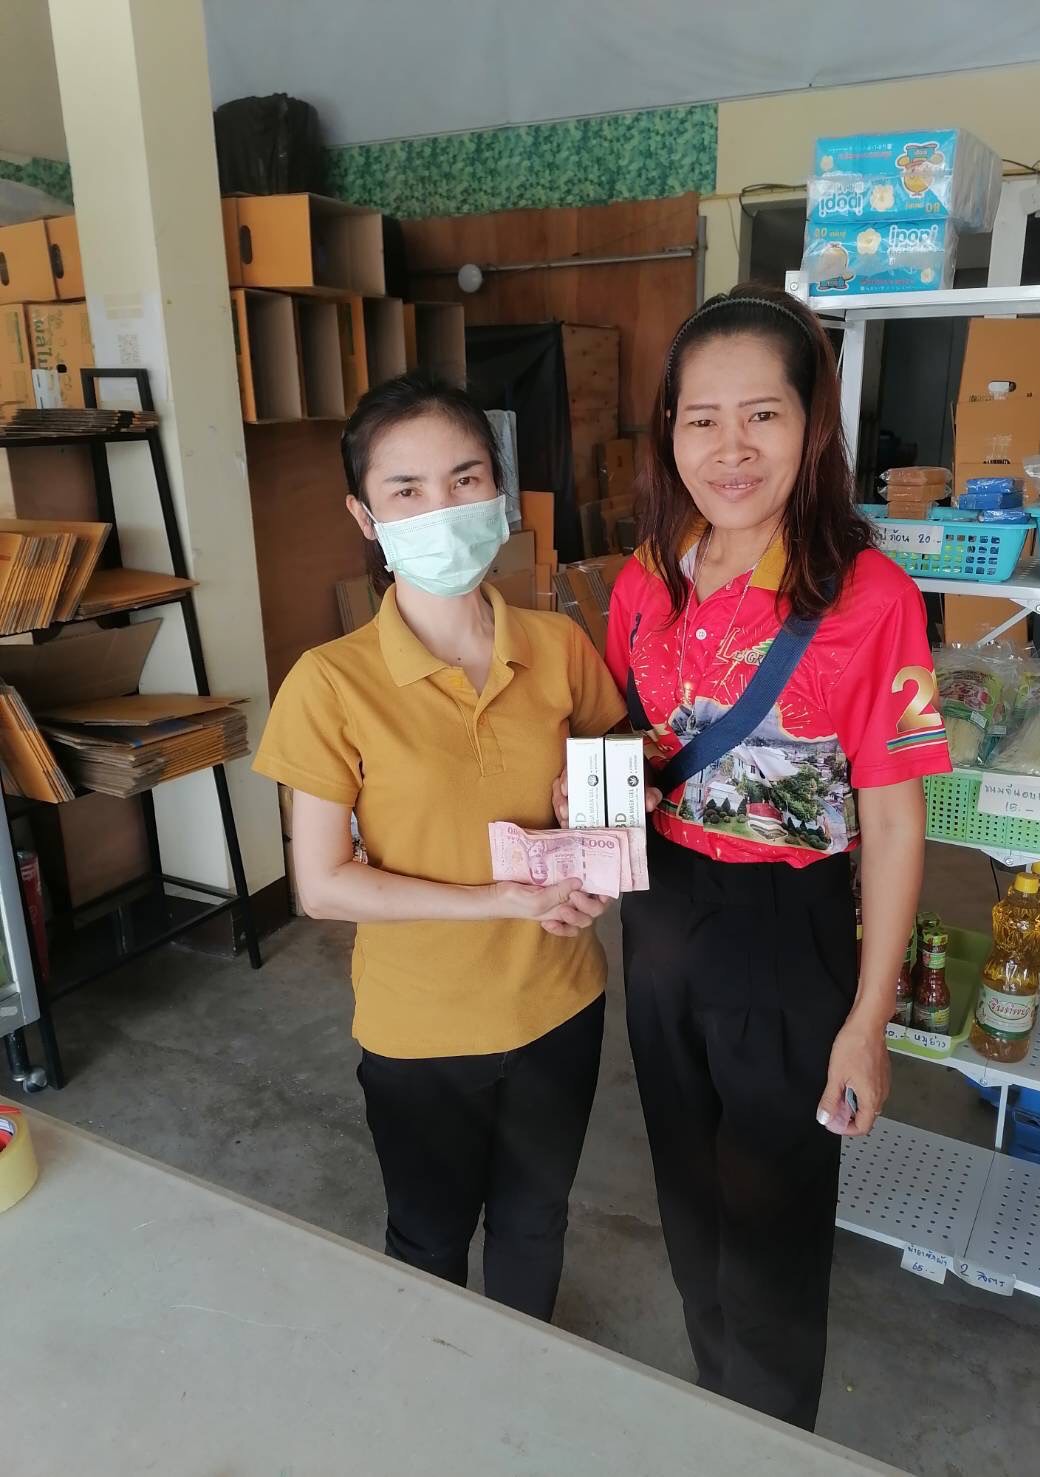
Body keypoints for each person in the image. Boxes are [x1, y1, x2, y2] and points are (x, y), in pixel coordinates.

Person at [556, 285, 950, 1428]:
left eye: (761, 416)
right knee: (687, 1192)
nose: (729, 449)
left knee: (771, 1228)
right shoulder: (646, 576)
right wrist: (582, 822)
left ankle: (771, 1436)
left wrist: (867, 1021)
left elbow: (893, 821)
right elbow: (630, 745)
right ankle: (716, 1410)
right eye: (701, 419)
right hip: (661, 919)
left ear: (811, 426)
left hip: (788, 937)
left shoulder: (867, 598)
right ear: (667, 432)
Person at [254, 371, 625, 1322]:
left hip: (560, 1004)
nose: (442, 508)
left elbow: (616, 779)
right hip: (419, 1030)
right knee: (428, 1237)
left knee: (536, 1221)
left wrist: (595, 826)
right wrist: (499, 899)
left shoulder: (559, 646)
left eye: (465, 479)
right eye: (406, 489)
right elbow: (323, 885)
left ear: (498, 490)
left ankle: (521, 1375)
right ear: (364, 516)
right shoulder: (329, 683)